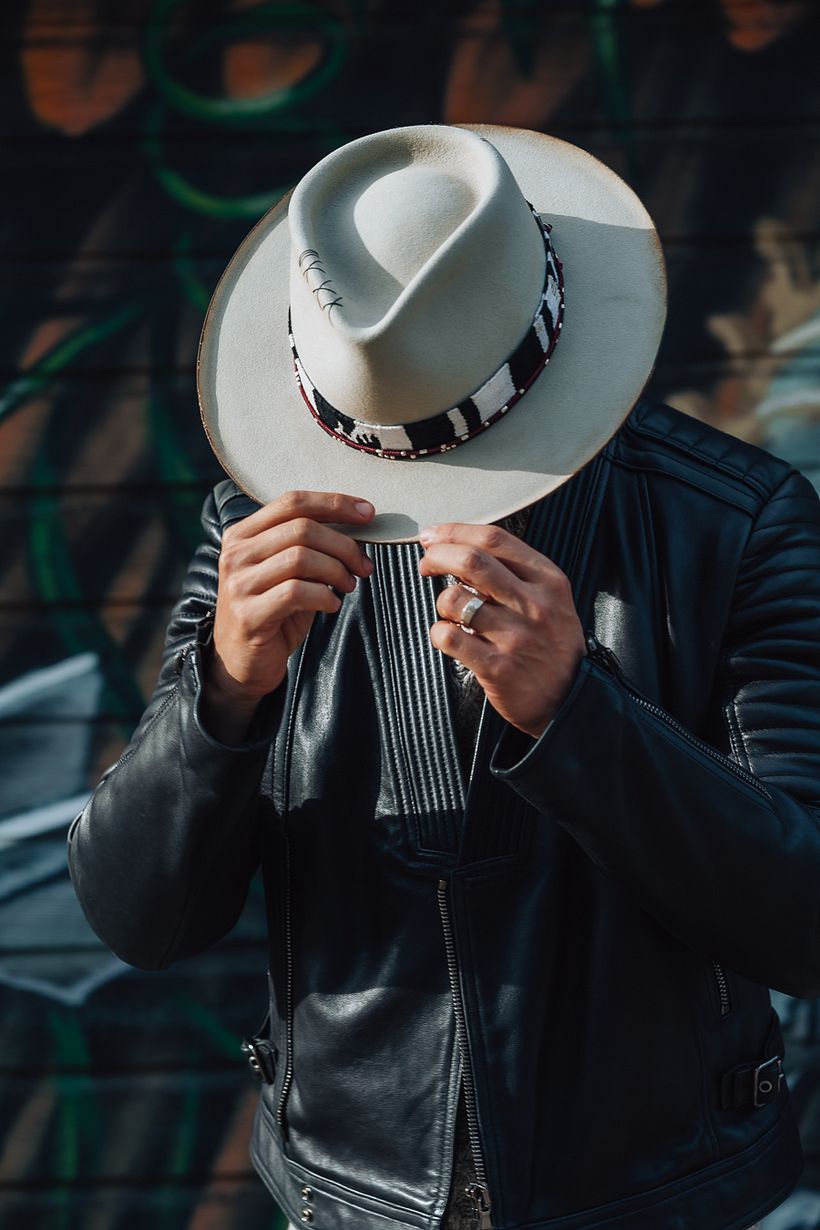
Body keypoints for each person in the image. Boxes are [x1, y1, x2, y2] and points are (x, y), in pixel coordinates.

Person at [68, 125, 820, 1230]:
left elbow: (800, 920)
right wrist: (221, 701)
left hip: (665, 1198)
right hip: (346, 1198)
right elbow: (141, 919)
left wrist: (579, 717)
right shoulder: (257, 534)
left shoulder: (732, 525)